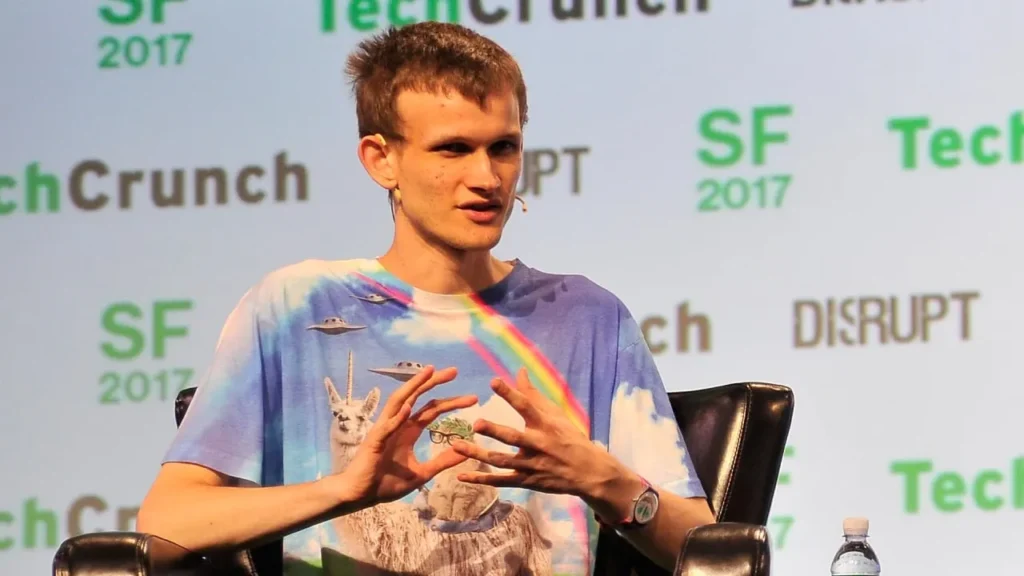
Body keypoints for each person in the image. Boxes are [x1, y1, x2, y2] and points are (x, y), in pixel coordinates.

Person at [136, 21, 715, 575]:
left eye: (504, 147)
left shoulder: (588, 317)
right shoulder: (294, 306)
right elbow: (167, 525)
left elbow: (709, 553)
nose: (487, 178)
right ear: (381, 159)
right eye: (453, 149)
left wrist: (606, 482)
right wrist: (342, 490)